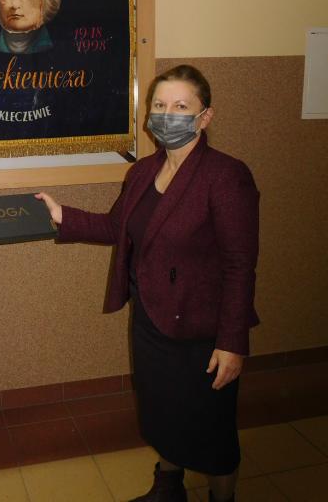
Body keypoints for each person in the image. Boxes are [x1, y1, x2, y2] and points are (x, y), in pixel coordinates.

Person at [37, 65, 260, 502]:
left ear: (205, 117)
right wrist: (62, 214)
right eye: (159, 105)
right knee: (161, 414)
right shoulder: (143, 172)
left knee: (212, 429)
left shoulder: (225, 176)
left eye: (180, 106)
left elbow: (240, 265)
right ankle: (168, 487)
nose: (167, 115)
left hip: (202, 332)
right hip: (151, 321)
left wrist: (232, 342)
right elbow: (116, 227)